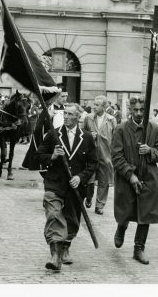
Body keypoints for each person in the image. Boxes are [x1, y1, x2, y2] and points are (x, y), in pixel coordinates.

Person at [36, 103, 98, 271]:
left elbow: (93, 163)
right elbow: (39, 155)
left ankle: (65, 248)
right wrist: (53, 156)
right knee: (54, 215)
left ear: (78, 117)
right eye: (65, 114)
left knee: (72, 219)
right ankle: (55, 255)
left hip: (75, 187)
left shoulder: (86, 137)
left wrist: (80, 177)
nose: (67, 117)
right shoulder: (53, 134)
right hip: (54, 184)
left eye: (71, 114)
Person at [111, 96, 158, 265]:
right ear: (129, 110)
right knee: (126, 209)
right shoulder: (121, 129)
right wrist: (130, 175)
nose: (138, 113)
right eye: (134, 110)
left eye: (142, 110)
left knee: (146, 213)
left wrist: (150, 151)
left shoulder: (154, 129)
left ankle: (139, 249)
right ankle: (122, 226)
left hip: (148, 177)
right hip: (126, 178)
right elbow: (116, 156)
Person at [83, 95, 116, 215]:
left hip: (105, 154)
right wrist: (88, 135)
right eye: (94, 104)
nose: (94, 106)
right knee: (88, 179)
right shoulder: (88, 118)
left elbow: (116, 137)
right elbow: (81, 133)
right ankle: (88, 197)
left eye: (97, 105)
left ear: (104, 106)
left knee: (103, 181)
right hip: (90, 153)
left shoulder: (111, 119)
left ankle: (99, 205)